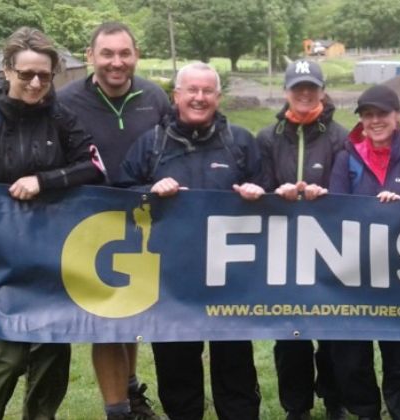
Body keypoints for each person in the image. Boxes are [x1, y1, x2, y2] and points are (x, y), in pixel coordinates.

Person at [0, 27, 103, 420]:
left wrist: (45, 181)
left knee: (52, 355)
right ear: (8, 71)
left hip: (54, 256)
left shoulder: (62, 119)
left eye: (44, 76)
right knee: (8, 356)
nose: (35, 83)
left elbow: (94, 167)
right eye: (26, 74)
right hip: (1, 258)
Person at [116, 62, 262, 420]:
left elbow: (269, 190)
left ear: (218, 97)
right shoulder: (151, 143)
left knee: (236, 371)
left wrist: (260, 192)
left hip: (230, 280)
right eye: (191, 91)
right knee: (177, 372)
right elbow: (117, 197)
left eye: (207, 91)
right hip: (170, 282)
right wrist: (147, 190)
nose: (199, 98)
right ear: (176, 95)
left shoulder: (240, 142)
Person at [59, 21, 171, 420]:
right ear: (90, 56)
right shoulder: (66, 101)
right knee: (106, 320)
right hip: (89, 223)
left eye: (124, 53)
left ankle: (130, 391)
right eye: (107, 53)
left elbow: (173, 149)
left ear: (136, 55)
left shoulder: (155, 97)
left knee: (134, 313)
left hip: (145, 222)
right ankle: (117, 411)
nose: (116, 62)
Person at [328, 85, 400, 420]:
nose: (375, 121)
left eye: (382, 114)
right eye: (368, 115)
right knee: (352, 357)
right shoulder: (346, 159)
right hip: (356, 276)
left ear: (397, 117)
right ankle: (366, 412)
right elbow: (334, 212)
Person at [255, 59, 347, 420]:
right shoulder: (268, 137)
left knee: (331, 328)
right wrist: (275, 192)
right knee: (289, 333)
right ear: (286, 93)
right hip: (284, 248)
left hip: (331, 245)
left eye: (312, 87)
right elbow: (259, 187)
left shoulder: (341, 136)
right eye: (298, 88)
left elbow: (347, 189)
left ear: (323, 91)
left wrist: (328, 193)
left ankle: (334, 399)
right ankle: (296, 406)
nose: (305, 93)